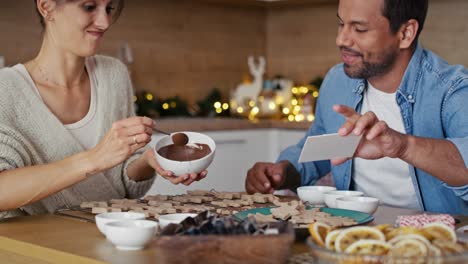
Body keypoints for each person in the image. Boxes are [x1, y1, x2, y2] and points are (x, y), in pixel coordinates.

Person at [245, 0, 468, 214]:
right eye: (341, 24)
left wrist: (402, 146)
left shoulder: (451, 89)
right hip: (354, 235)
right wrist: (283, 172)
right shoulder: (337, 80)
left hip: (434, 242)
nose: (341, 39)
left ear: (405, 33)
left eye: (359, 29)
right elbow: (321, 148)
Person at [0, 0, 206, 219]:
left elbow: (121, 182)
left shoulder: (113, 75)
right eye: (89, 7)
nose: (104, 22)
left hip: (111, 237)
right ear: (46, 7)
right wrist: (94, 159)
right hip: (34, 247)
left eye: (109, 9)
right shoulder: (6, 90)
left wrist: (146, 161)